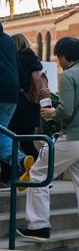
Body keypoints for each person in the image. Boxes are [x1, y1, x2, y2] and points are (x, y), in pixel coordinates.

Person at [17, 37, 79, 251]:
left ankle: (38, 226)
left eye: (58, 56)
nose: (59, 61)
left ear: (65, 56)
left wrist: (51, 113)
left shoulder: (69, 75)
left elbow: (66, 110)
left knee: (37, 173)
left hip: (73, 138)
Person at [1, 34, 42, 185]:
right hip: (20, 101)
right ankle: (32, 168)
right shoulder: (34, 60)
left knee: (7, 136)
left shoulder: (17, 56)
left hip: (20, 105)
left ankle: (12, 174)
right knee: (15, 138)